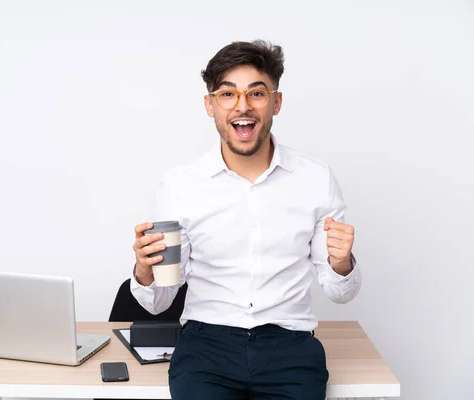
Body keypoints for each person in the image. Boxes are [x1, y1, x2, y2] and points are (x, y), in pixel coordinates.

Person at [130, 39, 362, 400]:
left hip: (291, 350)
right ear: (210, 105)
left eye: (256, 93)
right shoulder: (180, 185)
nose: (243, 106)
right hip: (205, 351)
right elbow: (159, 301)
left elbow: (339, 292)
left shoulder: (316, 179)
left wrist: (342, 262)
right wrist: (145, 271)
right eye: (227, 94)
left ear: (276, 102)